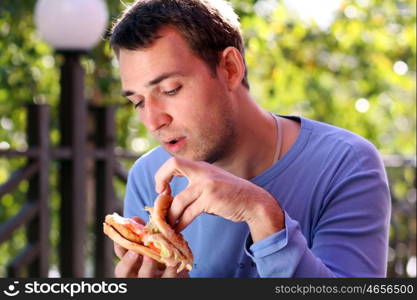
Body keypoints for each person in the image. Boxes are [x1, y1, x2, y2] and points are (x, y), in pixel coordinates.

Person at [108, 0, 391, 278]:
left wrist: (260, 211)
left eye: (170, 90)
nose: (154, 121)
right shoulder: (149, 177)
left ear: (230, 68)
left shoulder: (345, 163)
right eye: (138, 102)